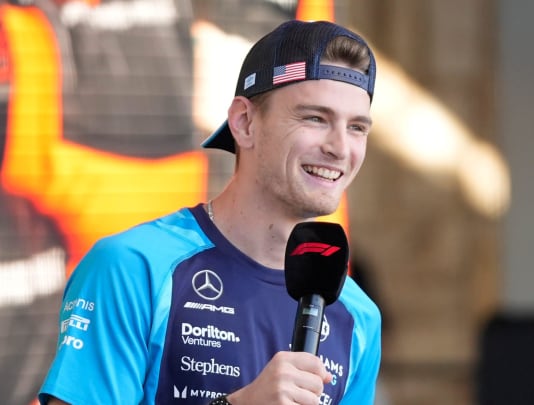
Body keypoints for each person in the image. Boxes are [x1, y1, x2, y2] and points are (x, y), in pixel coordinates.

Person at [38, 19, 381, 405]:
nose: (340, 147)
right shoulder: (132, 266)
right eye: (315, 118)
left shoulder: (357, 314)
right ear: (244, 123)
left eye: (357, 128)